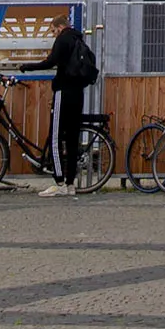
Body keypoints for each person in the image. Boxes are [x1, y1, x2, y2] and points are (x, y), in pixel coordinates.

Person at [43, 12, 97, 197]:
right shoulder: (79, 41)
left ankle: (59, 182)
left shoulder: (62, 40)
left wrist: (27, 66)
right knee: (73, 139)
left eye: (53, 31)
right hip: (77, 94)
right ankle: (70, 183)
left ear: (59, 27)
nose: (53, 34)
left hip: (63, 92)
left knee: (56, 137)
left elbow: (51, 62)